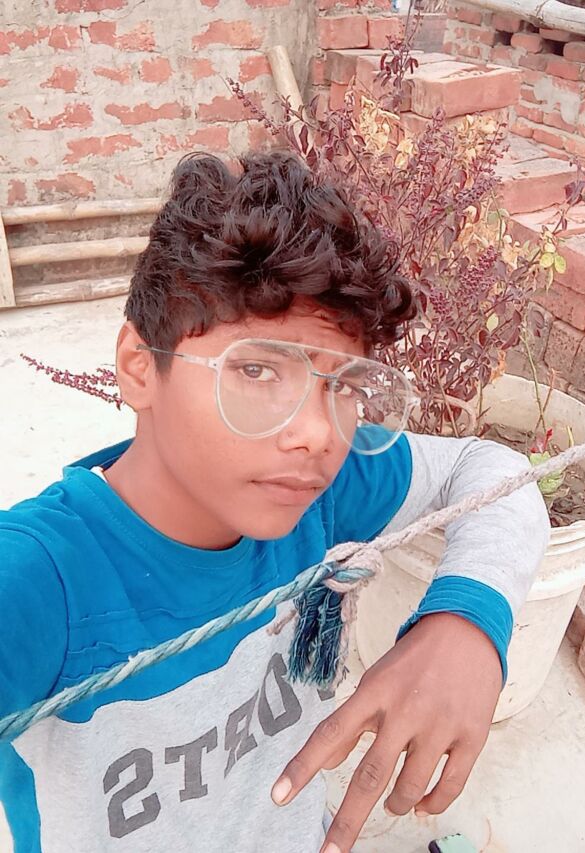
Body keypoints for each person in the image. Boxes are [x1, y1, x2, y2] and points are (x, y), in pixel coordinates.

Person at [0, 151, 549, 853]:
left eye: (345, 385)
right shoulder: (42, 581)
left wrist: (467, 621)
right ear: (140, 368)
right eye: (259, 370)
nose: (319, 433)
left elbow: (492, 471)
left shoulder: (322, 492)